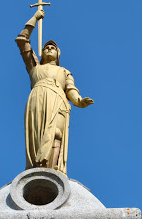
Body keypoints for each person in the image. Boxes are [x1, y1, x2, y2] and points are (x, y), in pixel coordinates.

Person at [15, 9, 94, 175]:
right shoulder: (34, 67)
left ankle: (53, 168)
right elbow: (22, 40)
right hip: (37, 100)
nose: (49, 48)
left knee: (56, 133)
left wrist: (79, 101)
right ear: (42, 54)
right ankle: (38, 167)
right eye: (46, 47)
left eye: (53, 48)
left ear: (58, 54)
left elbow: (71, 90)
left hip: (58, 101)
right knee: (38, 137)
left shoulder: (64, 72)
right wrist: (35, 18)